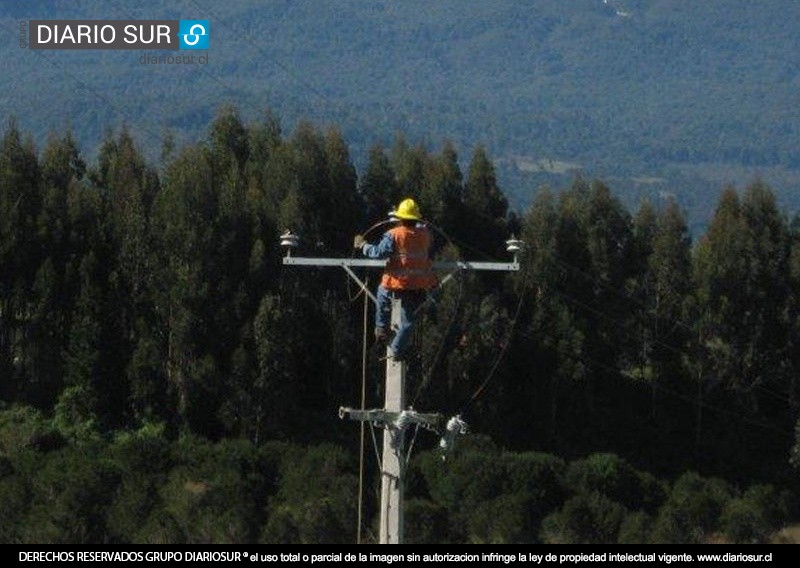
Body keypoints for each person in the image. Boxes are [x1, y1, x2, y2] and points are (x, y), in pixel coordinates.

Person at [354, 198, 437, 360]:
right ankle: (397, 350)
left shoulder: (395, 234)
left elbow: (378, 253)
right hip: (417, 286)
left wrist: (363, 245)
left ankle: (381, 329)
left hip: (396, 283)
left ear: (400, 218)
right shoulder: (425, 235)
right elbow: (424, 238)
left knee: (382, 295)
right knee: (408, 323)